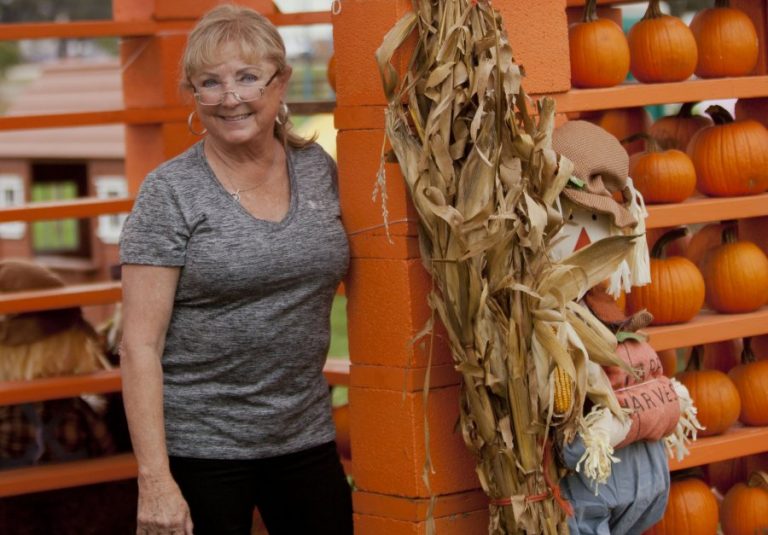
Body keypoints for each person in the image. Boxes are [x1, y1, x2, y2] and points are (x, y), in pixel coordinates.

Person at [118, 5, 351, 535]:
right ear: (194, 94)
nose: (230, 98)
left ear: (281, 82)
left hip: (304, 434)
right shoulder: (170, 193)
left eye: (248, 78)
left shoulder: (318, 171)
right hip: (200, 449)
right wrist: (155, 480)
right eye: (210, 83)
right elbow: (139, 346)